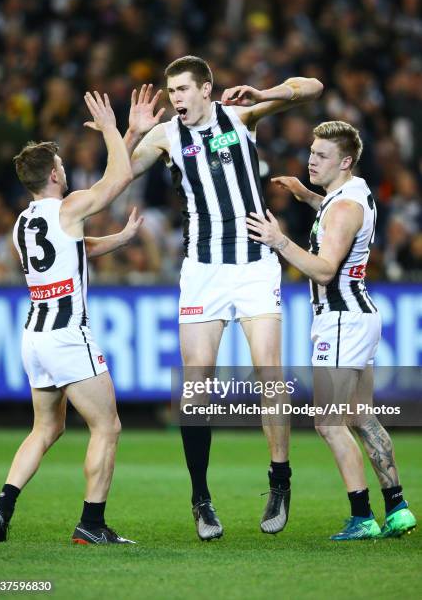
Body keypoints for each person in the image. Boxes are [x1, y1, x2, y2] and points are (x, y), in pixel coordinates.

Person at [123, 55, 323, 540]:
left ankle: (279, 479)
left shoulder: (240, 115)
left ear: (207, 89)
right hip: (203, 271)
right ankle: (201, 500)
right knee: (196, 388)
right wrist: (130, 134)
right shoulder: (165, 135)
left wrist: (267, 93)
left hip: (255, 264)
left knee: (269, 375)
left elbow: (312, 85)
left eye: (185, 91)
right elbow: (114, 184)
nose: (178, 101)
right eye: (173, 94)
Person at [0, 87, 163, 544]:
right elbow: (118, 177)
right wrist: (112, 131)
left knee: (46, 427)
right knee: (108, 425)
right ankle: (92, 523)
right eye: (62, 165)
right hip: (66, 334)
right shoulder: (70, 206)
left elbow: (73, 251)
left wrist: (118, 240)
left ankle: (1, 510)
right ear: (56, 174)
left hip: (34, 337)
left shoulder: (23, 224)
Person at [246, 120, 417, 540]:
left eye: (321, 155)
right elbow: (337, 217)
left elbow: (324, 270)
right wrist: (308, 197)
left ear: (344, 161)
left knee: (328, 423)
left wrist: (279, 240)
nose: (310, 159)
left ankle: (362, 516)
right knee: (361, 415)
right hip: (361, 313)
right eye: (311, 151)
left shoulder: (341, 208)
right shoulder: (352, 194)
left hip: (339, 320)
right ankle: (397, 508)